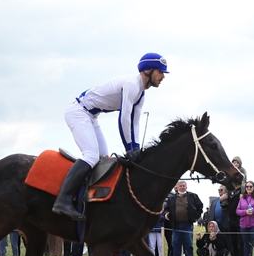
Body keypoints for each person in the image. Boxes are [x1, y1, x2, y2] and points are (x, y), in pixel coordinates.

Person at [53, 53, 168, 219]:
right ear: (148, 70)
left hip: (91, 116)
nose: (163, 76)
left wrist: (136, 148)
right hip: (78, 112)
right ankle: (62, 200)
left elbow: (134, 123)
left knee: (103, 158)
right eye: (160, 71)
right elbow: (124, 119)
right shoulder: (132, 85)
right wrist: (129, 149)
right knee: (91, 156)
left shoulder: (141, 93)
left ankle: (87, 201)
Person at [163, 180, 202, 256]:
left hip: (187, 224)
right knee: (175, 244)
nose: (182, 187)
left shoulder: (192, 196)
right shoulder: (172, 198)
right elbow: (167, 208)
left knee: (188, 244)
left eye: (184, 186)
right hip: (175, 224)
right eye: (180, 186)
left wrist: (196, 216)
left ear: (186, 187)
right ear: (177, 187)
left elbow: (200, 206)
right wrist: (167, 213)